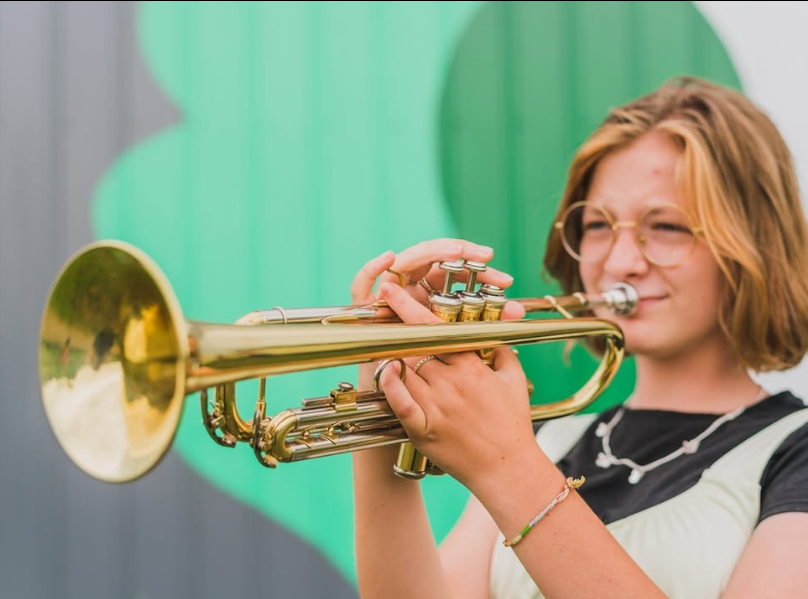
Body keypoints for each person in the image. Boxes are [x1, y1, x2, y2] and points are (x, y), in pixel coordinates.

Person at [349, 76, 808, 599]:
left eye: (667, 227)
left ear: (752, 245)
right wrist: (383, 391)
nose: (620, 263)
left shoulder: (795, 452)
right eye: (598, 226)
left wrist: (509, 469)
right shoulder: (553, 441)